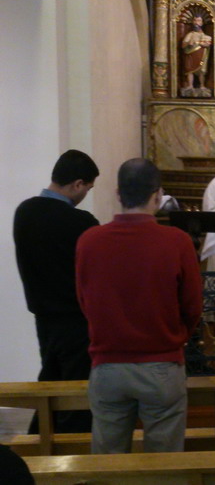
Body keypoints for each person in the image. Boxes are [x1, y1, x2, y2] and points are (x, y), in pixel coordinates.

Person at [76, 158, 203, 454]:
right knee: (164, 463)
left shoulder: (89, 241)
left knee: (108, 463)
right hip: (161, 363)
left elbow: (85, 300)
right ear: (158, 194)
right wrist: (177, 337)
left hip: (107, 364)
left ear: (119, 194)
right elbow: (193, 305)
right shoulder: (177, 241)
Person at [14, 149, 99, 434]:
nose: (86, 193)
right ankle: (73, 454)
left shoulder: (24, 212)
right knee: (77, 391)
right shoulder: (80, 222)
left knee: (49, 381)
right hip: (76, 319)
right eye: (88, 187)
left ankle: (41, 444)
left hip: (42, 315)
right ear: (77, 184)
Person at [181, 15, 212, 93]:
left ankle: (202, 85)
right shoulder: (190, 34)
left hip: (201, 55)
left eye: (198, 21)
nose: (196, 23)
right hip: (191, 55)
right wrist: (189, 43)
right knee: (190, 70)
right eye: (195, 20)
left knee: (202, 71)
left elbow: (207, 44)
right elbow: (184, 44)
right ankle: (190, 85)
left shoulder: (204, 35)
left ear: (202, 23)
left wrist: (200, 43)